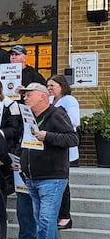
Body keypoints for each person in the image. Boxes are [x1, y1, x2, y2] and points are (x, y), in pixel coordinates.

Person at [18, 82, 78, 239]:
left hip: (52, 177)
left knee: (45, 219)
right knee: (43, 219)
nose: (25, 98)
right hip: (32, 175)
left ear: (42, 96)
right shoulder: (29, 116)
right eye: (25, 95)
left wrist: (48, 136)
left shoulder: (57, 114)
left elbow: (72, 139)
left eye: (29, 95)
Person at [47, 75, 79, 230]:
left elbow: (74, 120)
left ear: (62, 85)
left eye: (52, 85)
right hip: (50, 146)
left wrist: (55, 120)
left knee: (64, 184)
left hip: (64, 146)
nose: (49, 88)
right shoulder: (48, 100)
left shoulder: (69, 101)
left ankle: (65, 217)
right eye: (48, 86)